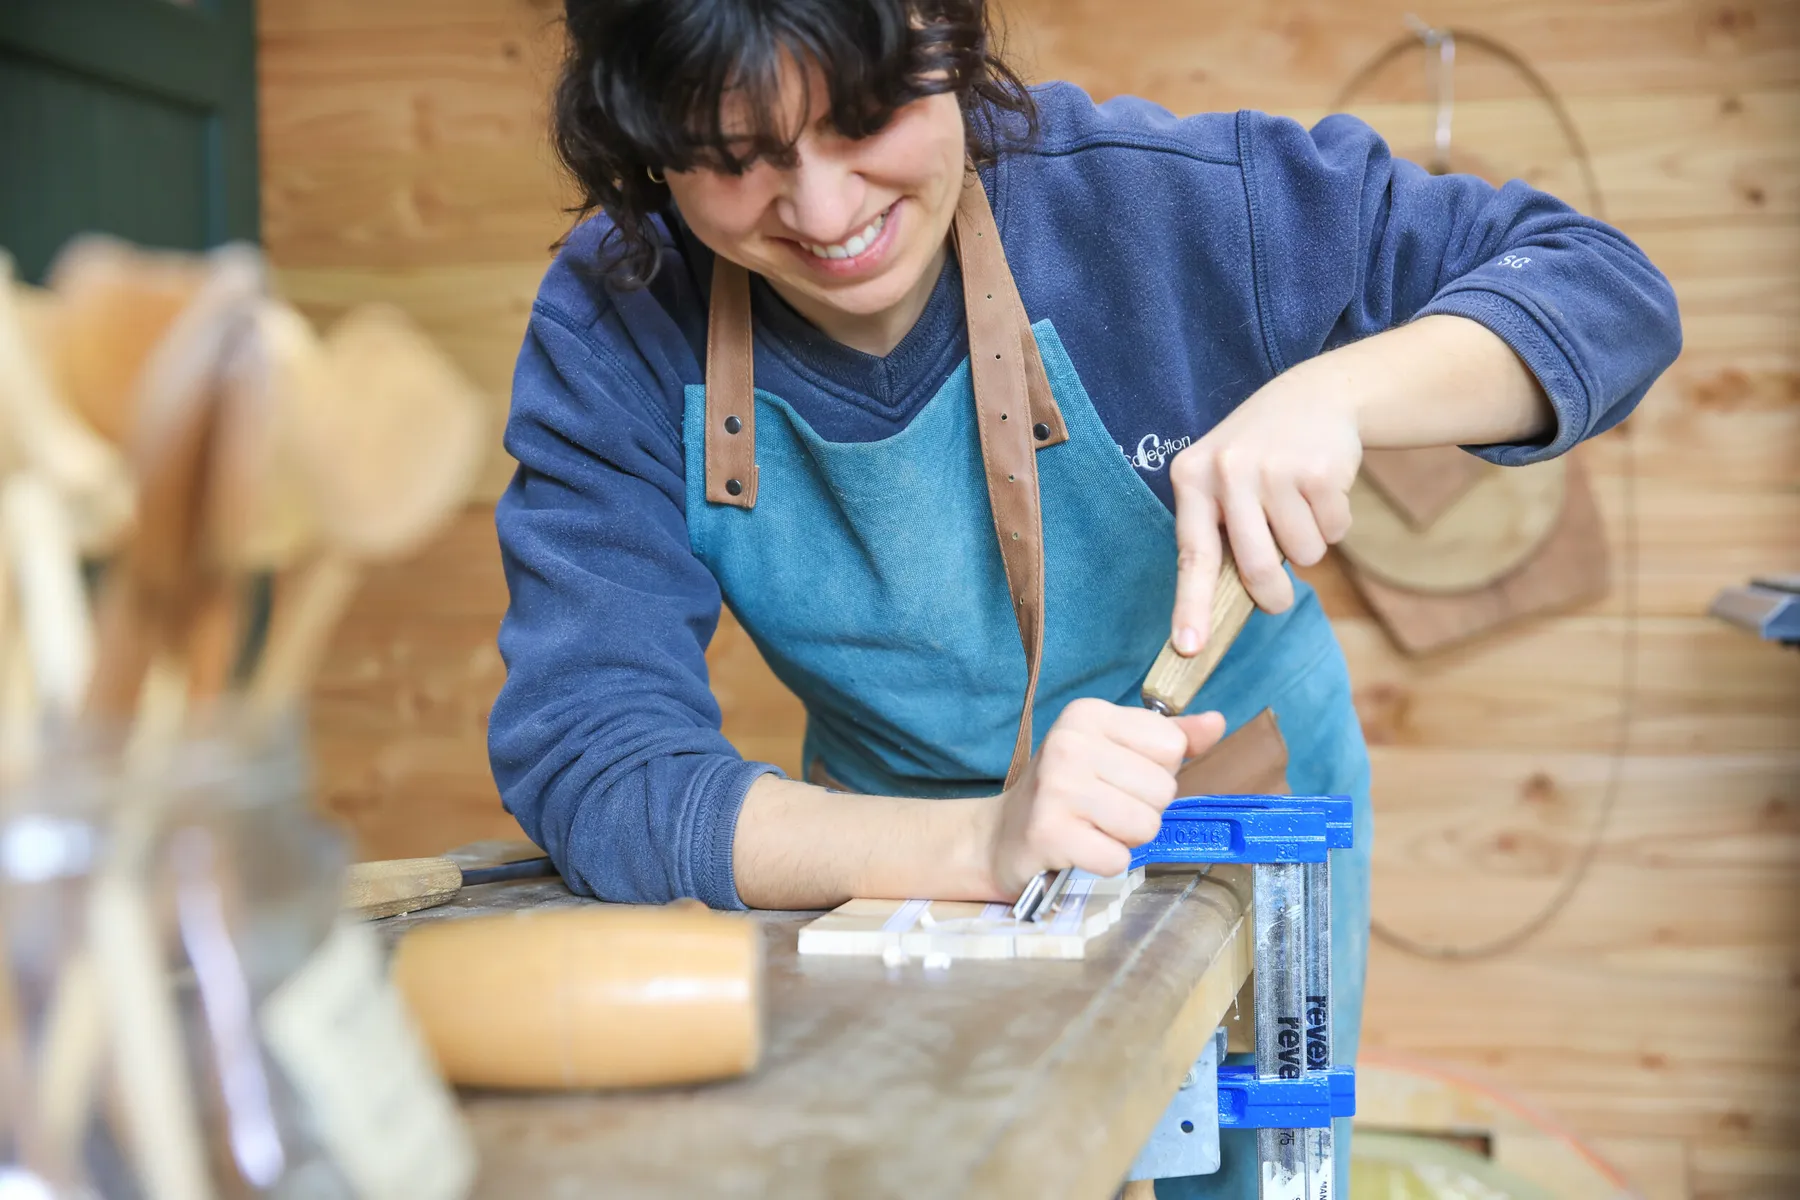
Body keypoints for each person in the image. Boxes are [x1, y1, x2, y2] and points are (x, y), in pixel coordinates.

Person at [489, 1, 1681, 1193]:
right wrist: (979, 843)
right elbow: (596, 762)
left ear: (942, 37)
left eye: (862, 121)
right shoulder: (618, 319)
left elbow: (1604, 287)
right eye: (736, 159)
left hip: (1234, 809)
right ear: (645, 145)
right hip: (887, 854)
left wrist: (1342, 393)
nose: (823, 210)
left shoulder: (1162, 203)